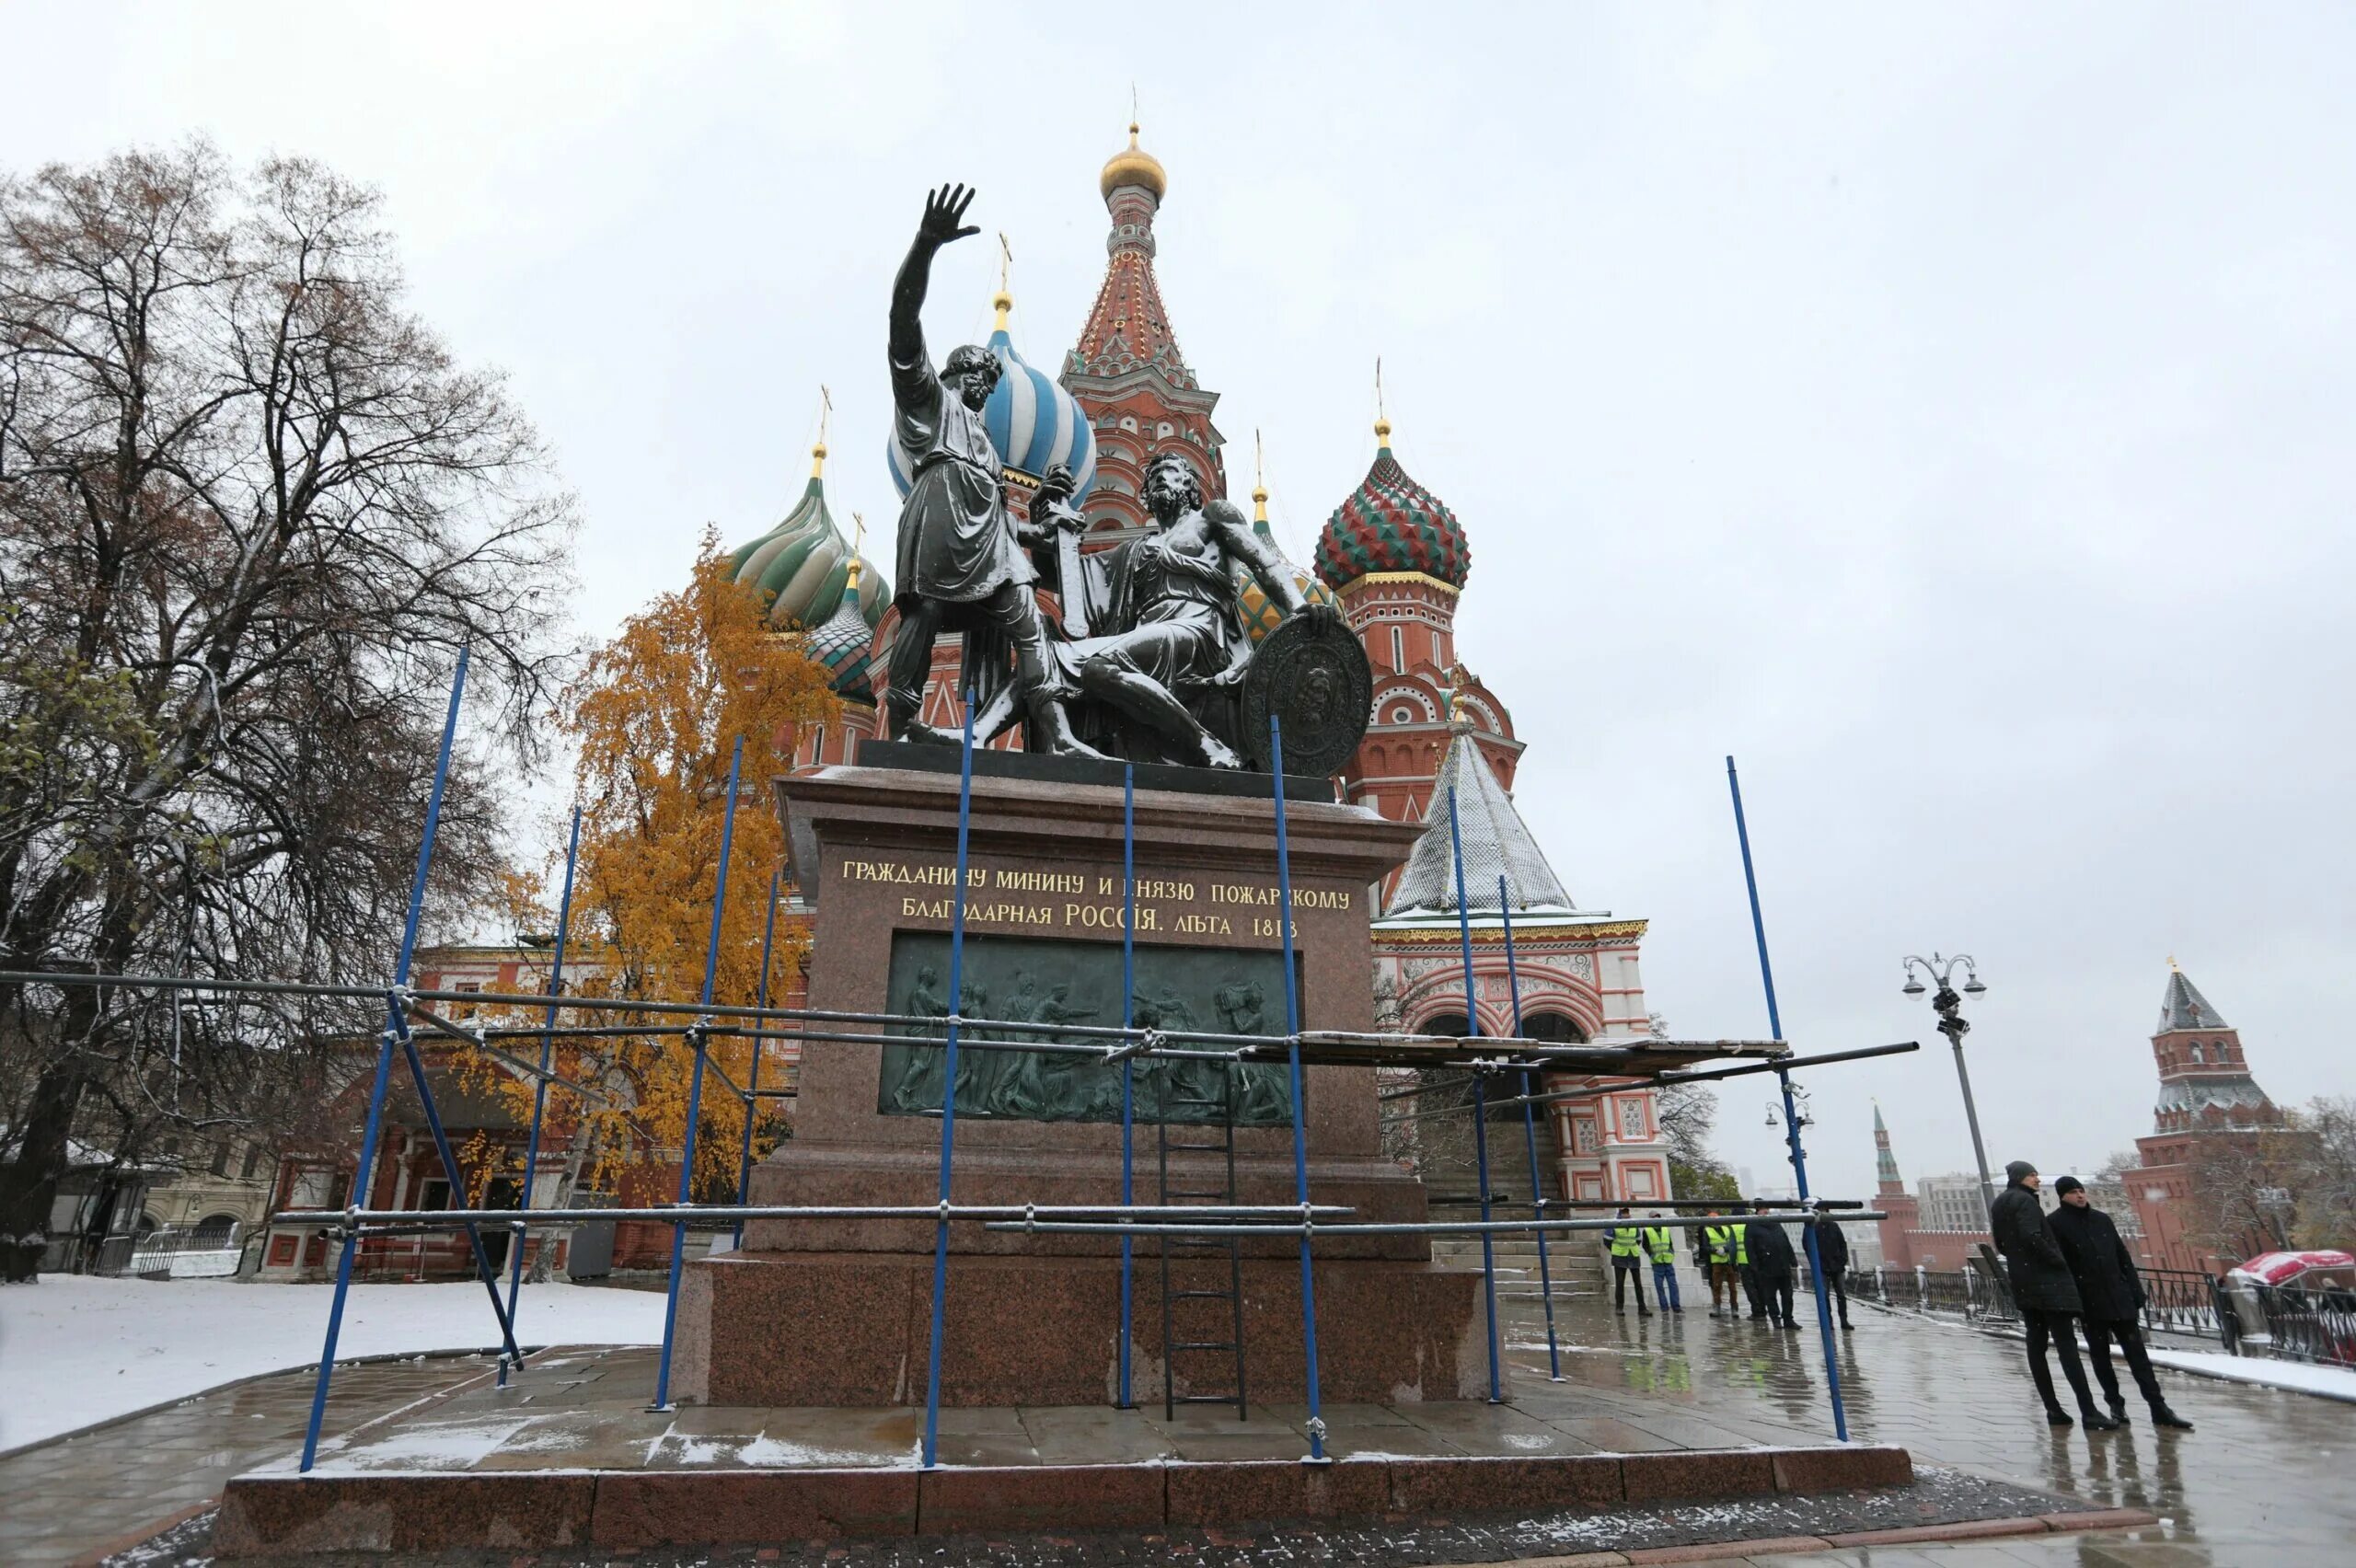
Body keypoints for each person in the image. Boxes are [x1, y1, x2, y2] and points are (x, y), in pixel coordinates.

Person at [884, 183, 1094, 756]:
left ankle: (1055, 733)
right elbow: (903, 324)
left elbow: (1001, 520)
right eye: (975, 374)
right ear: (953, 375)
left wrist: (1042, 528)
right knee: (923, 616)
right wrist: (925, 247)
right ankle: (901, 721)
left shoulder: (982, 442)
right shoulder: (930, 405)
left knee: (1029, 621)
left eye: (989, 379)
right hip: (936, 521)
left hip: (988, 545)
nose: (984, 384)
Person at [2048, 1176, 2194, 1430]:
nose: (2080, 1196)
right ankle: (2116, 1405)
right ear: (2062, 1196)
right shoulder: (2056, 1224)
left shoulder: (2102, 1219)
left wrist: (2135, 1290)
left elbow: (2122, 1256)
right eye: (2073, 1192)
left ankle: (2158, 1407)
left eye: (2082, 1191)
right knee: (2101, 1357)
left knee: (2139, 1356)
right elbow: (2063, 1267)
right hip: (2090, 1303)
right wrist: (2074, 1301)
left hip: (2120, 1298)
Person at [1990, 1159, 2119, 1429]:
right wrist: (2058, 1260)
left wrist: (2021, 1260)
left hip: (2024, 1281)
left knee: (2036, 1344)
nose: (2037, 1180)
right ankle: (2088, 1410)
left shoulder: (2001, 1202)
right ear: (2021, 1178)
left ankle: (2053, 1409)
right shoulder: (2024, 1201)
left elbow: (2001, 1244)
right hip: (2047, 1282)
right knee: (2066, 1346)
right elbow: (2031, 1235)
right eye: (2032, 1176)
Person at [1749, 1201, 1798, 1329]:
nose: (1766, 1211)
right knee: (1770, 1296)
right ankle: (1776, 1319)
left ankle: (1788, 1319)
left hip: (1783, 1265)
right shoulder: (1752, 1226)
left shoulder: (1776, 1224)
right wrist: (1755, 1267)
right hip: (1766, 1267)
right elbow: (1750, 1248)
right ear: (1757, 1211)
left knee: (1787, 1295)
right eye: (1763, 1209)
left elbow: (1785, 1242)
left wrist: (1792, 1259)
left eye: (1767, 1208)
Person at [1809, 1205, 1854, 1330]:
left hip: (1837, 1267)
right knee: (1824, 1296)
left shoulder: (1834, 1226)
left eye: (1825, 1211)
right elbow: (1807, 1246)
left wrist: (1842, 1260)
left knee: (1841, 1295)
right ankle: (1828, 1322)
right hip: (1822, 1268)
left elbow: (1842, 1244)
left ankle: (1844, 1320)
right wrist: (1816, 1263)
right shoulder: (1812, 1227)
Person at [1605, 1206, 1650, 1316]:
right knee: (1620, 1284)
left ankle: (1642, 1308)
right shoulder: (1614, 1224)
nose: (1626, 1214)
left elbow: (1638, 1239)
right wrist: (1616, 1249)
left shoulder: (1633, 1224)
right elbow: (1607, 1240)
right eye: (1624, 1212)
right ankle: (1619, 1308)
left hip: (1633, 1255)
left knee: (1638, 1284)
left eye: (1627, 1212)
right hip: (1619, 1256)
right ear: (1620, 1213)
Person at [1703, 1209, 1745, 1318]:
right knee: (1717, 1286)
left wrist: (1725, 1249)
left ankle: (1734, 1308)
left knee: (1733, 1287)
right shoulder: (1707, 1231)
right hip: (1716, 1262)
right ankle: (1717, 1308)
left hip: (1728, 1261)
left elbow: (1732, 1243)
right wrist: (1715, 1250)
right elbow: (1705, 1247)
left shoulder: (1727, 1229)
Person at [1643, 1212, 1683, 1313]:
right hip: (1657, 1262)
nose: (1657, 1220)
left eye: (1658, 1217)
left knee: (1673, 1285)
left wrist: (1671, 1253)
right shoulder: (1647, 1231)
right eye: (1654, 1218)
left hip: (1668, 1261)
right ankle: (1664, 1308)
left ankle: (1676, 1307)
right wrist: (1652, 1255)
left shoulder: (1665, 1229)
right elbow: (1645, 1245)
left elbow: (1670, 1243)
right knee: (1659, 1286)